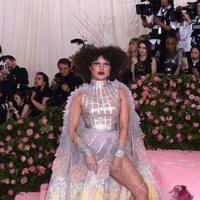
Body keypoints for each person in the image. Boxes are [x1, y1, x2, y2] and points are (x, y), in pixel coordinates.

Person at [45, 46, 169, 200]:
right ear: (89, 68)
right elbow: (72, 130)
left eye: (106, 64)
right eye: (97, 64)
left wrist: (119, 153)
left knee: (142, 192)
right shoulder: (80, 95)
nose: (101, 68)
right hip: (89, 148)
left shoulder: (120, 91)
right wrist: (87, 153)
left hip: (114, 147)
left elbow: (124, 126)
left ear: (112, 68)